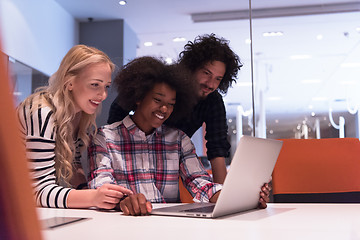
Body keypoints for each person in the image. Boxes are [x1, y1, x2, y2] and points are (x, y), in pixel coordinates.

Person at [88, 56, 270, 216]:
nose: (164, 109)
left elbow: (201, 183)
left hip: (169, 229)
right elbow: (101, 185)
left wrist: (242, 197)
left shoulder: (178, 140)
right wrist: (123, 201)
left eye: (171, 104)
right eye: (158, 100)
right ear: (138, 97)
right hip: (121, 228)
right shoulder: (104, 137)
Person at [108, 33, 242, 184]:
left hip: (169, 167)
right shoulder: (165, 82)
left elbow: (217, 148)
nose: (211, 84)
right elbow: (118, 111)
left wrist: (222, 196)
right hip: (132, 159)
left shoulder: (210, 105)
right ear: (191, 68)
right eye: (206, 73)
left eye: (218, 78)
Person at [17, 45, 133, 209]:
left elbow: (73, 164)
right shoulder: (42, 113)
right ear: (69, 82)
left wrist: (88, 191)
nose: (103, 95)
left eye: (106, 86)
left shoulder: (80, 114)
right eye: (95, 85)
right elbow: (38, 191)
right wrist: (93, 197)